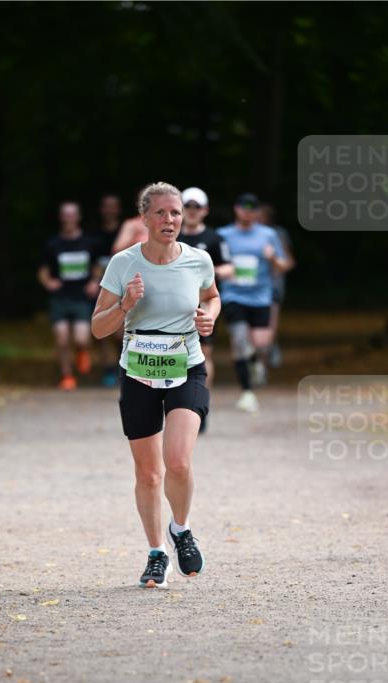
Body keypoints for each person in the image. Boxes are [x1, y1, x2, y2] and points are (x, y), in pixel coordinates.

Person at [92, 181, 220, 588]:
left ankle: (180, 529)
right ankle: (155, 554)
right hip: (139, 374)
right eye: (161, 213)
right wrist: (125, 305)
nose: (170, 220)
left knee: (178, 462)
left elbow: (213, 296)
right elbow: (98, 328)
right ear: (144, 218)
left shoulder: (199, 260)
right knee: (149, 474)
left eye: (176, 213)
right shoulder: (123, 263)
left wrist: (210, 316)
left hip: (187, 369)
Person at [217, 193, 289, 412]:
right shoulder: (223, 234)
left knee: (260, 344)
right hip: (233, 296)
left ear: (257, 211)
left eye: (252, 208)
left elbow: (284, 266)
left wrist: (272, 258)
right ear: (236, 209)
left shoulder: (268, 235)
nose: (247, 211)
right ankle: (247, 392)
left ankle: (256, 360)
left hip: (261, 297)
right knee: (239, 340)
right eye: (243, 207)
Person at [178, 187, 234, 429]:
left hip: (202, 304)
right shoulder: (171, 236)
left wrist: (206, 273)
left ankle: (200, 403)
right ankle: (176, 405)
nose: (191, 211)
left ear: (205, 211)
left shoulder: (214, 239)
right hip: (175, 305)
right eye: (187, 206)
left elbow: (229, 268)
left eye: (196, 207)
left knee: (204, 354)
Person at [37, 201, 100, 390]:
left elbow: (97, 267)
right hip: (60, 297)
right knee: (62, 338)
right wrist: (48, 282)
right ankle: (67, 376)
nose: (69, 218)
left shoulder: (89, 242)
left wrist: (94, 282)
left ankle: (82, 352)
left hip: (81, 298)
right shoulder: (53, 244)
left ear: (78, 217)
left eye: (73, 214)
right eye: (66, 214)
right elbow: (43, 270)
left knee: (82, 338)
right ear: (61, 217)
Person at [256, 202, 296, 368]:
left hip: (273, 286)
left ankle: (262, 362)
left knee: (269, 324)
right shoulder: (247, 233)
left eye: (260, 217)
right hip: (251, 287)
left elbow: (289, 261)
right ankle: (268, 350)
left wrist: (274, 261)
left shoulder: (278, 234)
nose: (256, 220)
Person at [94, 193, 123, 387]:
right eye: (106, 206)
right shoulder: (94, 235)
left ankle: (125, 368)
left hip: (124, 287)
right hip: (102, 286)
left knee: (121, 332)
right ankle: (109, 371)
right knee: (104, 330)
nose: (109, 210)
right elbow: (92, 263)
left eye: (113, 206)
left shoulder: (127, 231)